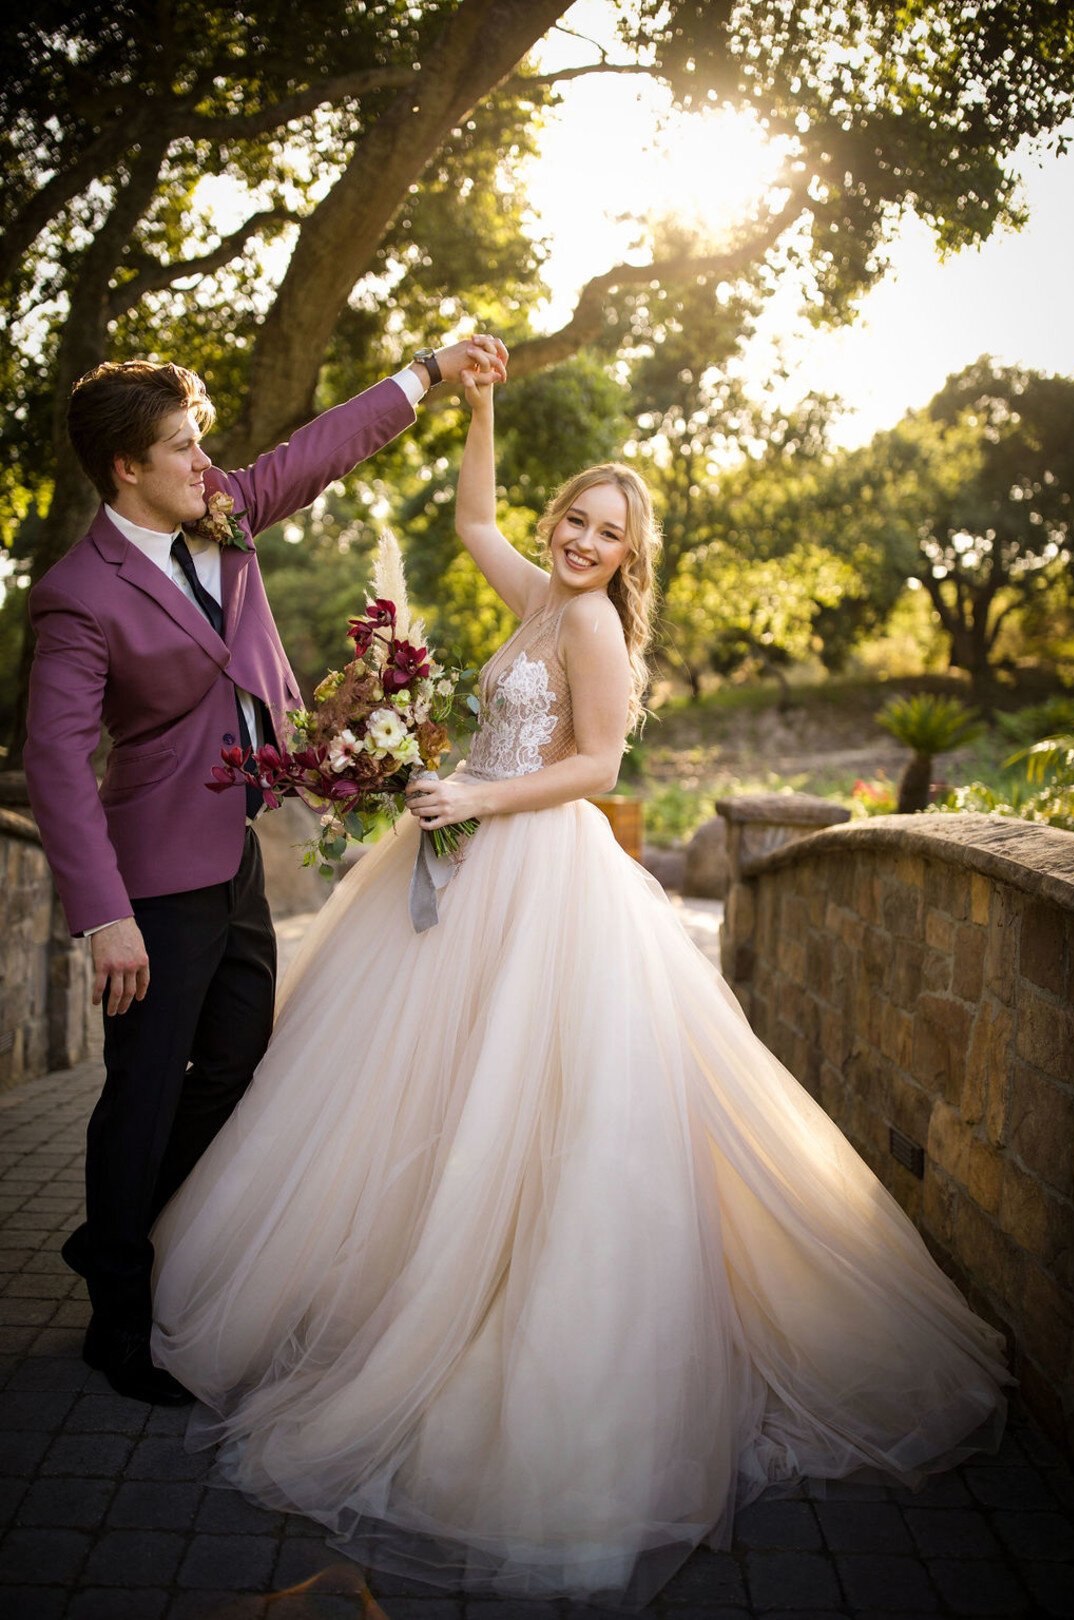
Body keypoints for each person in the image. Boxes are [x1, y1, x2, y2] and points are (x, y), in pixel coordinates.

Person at [150, 369, 1009, 1603]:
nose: (583, 542)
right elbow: (472, 525)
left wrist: (479, 795)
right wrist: (480, 404)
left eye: (610, 534)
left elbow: (599, 762)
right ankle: (401, 1280)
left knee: (525, 1096)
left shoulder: (595, 627)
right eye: (576, 521)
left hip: (536, 870)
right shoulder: (539, 595)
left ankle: (507, 1308)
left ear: (631, 557)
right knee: (421, 1083)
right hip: (460, 850)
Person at [23, 336, 508, 1405]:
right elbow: (55, 762)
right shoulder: (75, 597)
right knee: (144, 1095)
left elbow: (319, 450)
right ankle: (118, 1319)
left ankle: (122, 1234)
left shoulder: (222, 512)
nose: (206, 463)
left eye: (202, 443)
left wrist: (425, 371)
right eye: (182, 449)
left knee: (239, 1064)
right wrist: (106, 917)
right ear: (126, 471)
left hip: (233, 847)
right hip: (153, 876)